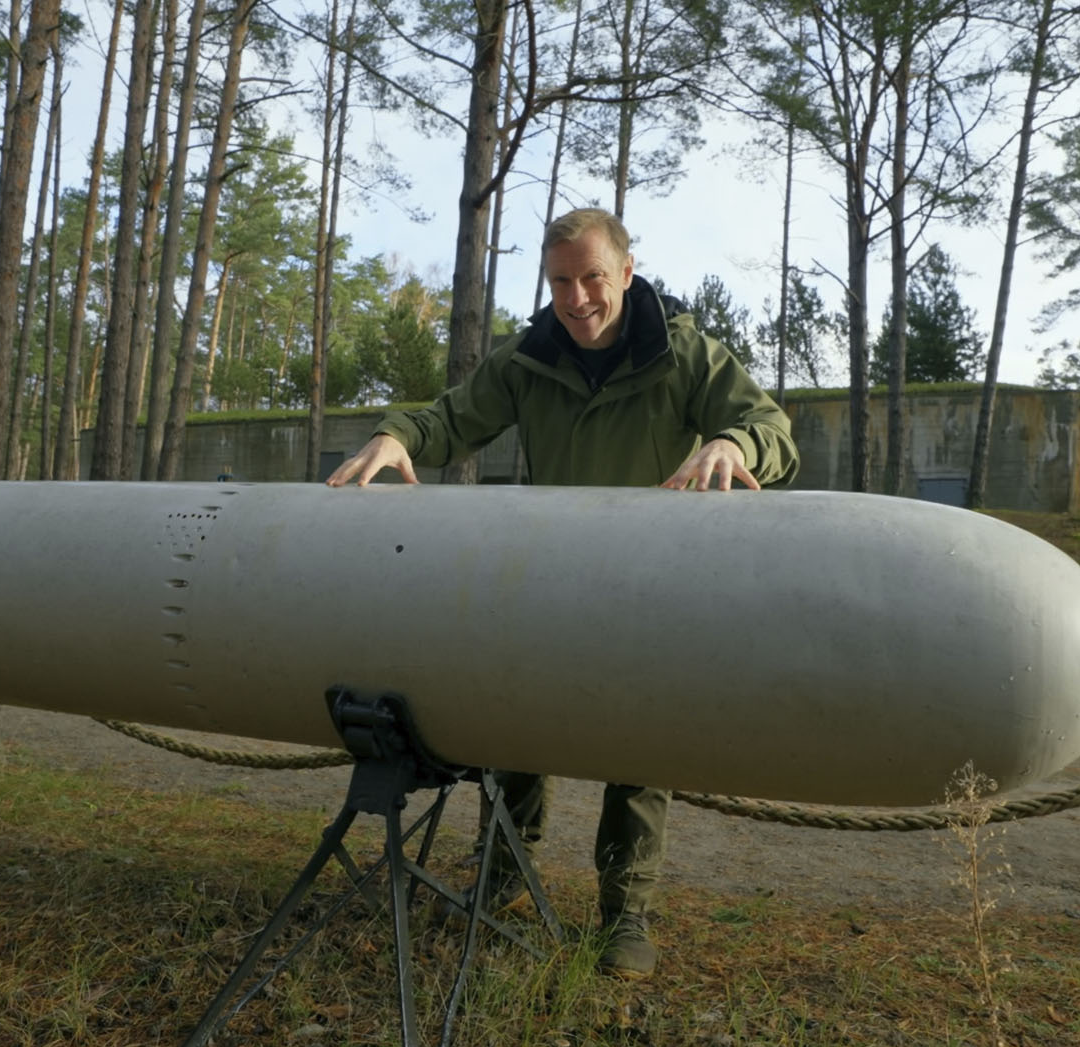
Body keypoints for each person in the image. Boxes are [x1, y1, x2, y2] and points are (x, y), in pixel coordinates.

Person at [325, 207, 799, 978]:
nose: (576, 299)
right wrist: (397, 435)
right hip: (546, 581)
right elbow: (452, 419)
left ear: (627, 272)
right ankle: (504, 875)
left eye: (592, 279)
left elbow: (772, 432)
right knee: (518, 737)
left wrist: (730, 441)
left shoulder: (686, 355)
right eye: (560, 282)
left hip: (650, 587)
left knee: (640, 752)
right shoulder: (529, 358)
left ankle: (624, 914)